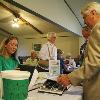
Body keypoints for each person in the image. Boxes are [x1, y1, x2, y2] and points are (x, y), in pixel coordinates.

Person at [57, 2, 100, 100]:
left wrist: (70, 78)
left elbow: (94, 63)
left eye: (84, 17)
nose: (84, 22)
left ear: (93, 13)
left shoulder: (98, 27)